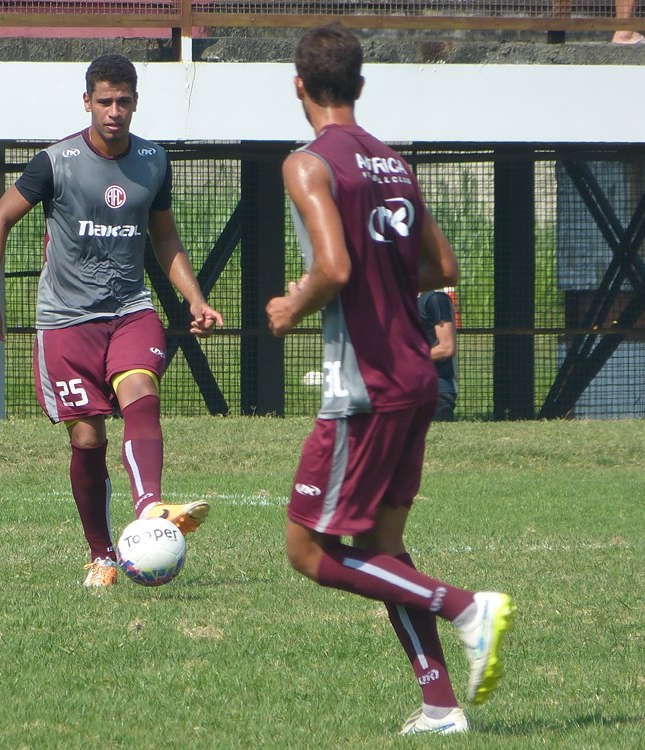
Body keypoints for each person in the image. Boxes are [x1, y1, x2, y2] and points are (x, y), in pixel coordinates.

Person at [265, 25, 513, 735]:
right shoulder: (392, 163)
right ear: (361, 86)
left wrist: (292, 301)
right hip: (416, 377)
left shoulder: (309, 163)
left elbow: (335, 267)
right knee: (379, 550)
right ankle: (439, 705)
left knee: (308, 552)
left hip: (365, 385)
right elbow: (442, 267)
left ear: (298, 86)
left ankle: (466, 605)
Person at [0, 54, 223, 588]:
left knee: (140, 391)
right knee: (87, 439)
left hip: (130, 308)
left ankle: (151, 507)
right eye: (105, 101)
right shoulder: (55, 162)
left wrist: (196, 299)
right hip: (66, 321)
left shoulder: (154, 161)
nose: (115, 111)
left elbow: (165, 237)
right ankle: (102, 555)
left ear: (135, 103)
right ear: (87, 102)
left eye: (124, 101)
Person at [418, 289, 458, 422]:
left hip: (437, 392)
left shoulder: (436, 298)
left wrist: (410, 360)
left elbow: (447, 348)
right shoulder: (403, 299)